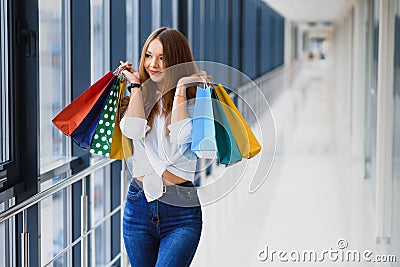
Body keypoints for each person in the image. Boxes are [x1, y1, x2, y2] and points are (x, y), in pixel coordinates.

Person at [117, 27, 209, 266]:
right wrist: (136, 86)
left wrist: (179, 89)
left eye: (162, 57)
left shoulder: (195, 98)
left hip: (181, 211)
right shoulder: (139, 97)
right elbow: (133, 130)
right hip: (139, 206)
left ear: (177, 59)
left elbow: (181, 135)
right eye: (148, 55)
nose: (153, 64)